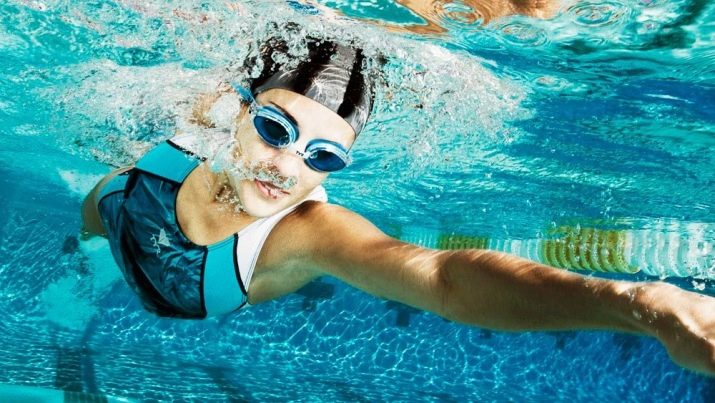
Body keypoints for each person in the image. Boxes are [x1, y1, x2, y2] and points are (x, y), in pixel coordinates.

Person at [81, 36, 715, 376]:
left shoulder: (306, 231)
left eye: (324, 156)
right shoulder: (195, 124)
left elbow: (442, 277)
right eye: (276, 129)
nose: (288, 168)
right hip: (107, 220)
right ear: (239, 111)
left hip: (179, 293)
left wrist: (641, 304)